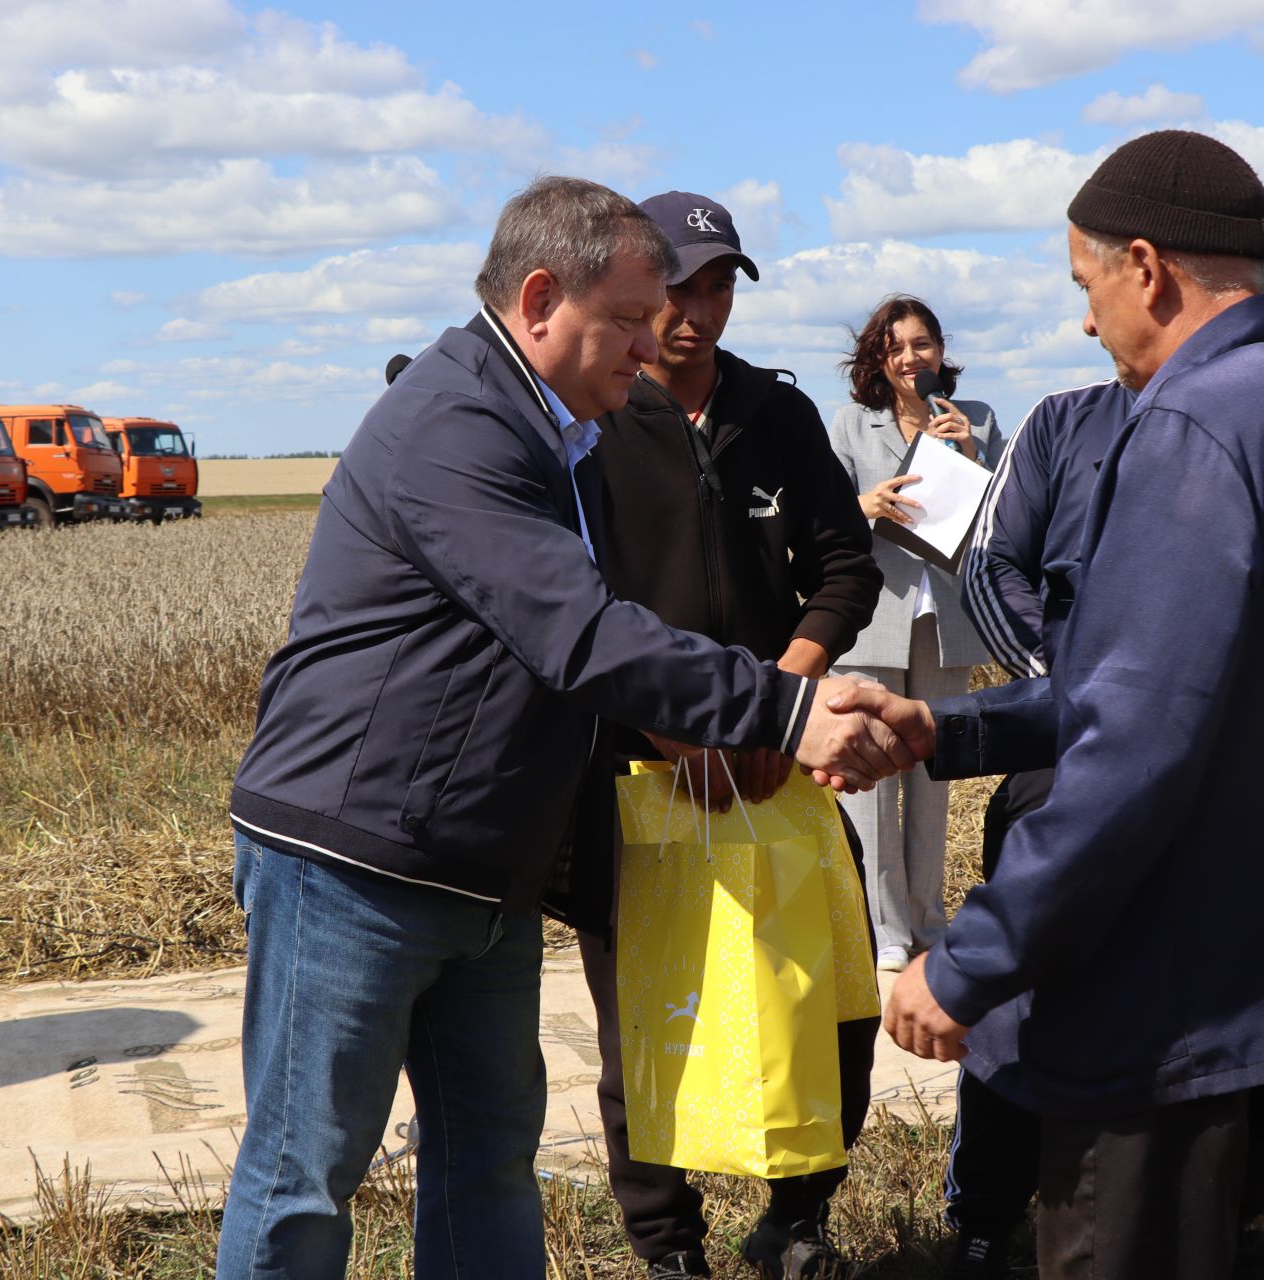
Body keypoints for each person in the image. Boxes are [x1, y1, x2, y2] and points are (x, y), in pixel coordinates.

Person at [215, 175, 914, 1280]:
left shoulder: (559, 431)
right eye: (632, 318)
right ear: (541, 299)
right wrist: (784, 707)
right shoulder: (459, 424)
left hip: (485, 861)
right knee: (307, 1170)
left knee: (490, 1157)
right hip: (356, 859)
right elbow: (581, 632)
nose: (656, 342)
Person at [843, 130, 1264, 1280]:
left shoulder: (1197, 430)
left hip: (1162, 1006)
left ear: (1146, 267)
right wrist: (950, 730)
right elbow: (1190, 691)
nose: (1088, 320)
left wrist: (967, 963)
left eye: (1086, 285)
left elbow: (1134, 751)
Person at [552, 190, 883, 1280]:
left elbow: (845, 568)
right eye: (679, 288)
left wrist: (782, 698)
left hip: (778, 763)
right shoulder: (590, 424)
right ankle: (668, 1247)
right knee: (647, 1014)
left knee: (830, 996)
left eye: (719, 285)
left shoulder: (774, 416)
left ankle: (799, 1219)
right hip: (639, 767)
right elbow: (577, 609)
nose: (697, 312)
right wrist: (677, 723)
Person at [939, 374, 1132, 1279]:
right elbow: (989, 565)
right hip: (1058, 750)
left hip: (1208, 766)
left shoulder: (1251, 419)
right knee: (1019, 988)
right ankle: (985, 1214)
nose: (1092, 321)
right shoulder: (1063, 421)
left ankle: (1180, 1206)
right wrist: (1076, 684)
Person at [826, 298, 1005, 972]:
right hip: (872, 622)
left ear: (940, 352)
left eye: (922, 344)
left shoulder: (980, 418)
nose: (910, 358)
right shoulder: (850, 425)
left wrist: (966, 449)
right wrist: (862, 506)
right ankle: (887, 929)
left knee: (936, 774)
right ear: (877, 358)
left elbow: (1008, 513)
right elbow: (820, 522)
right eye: (895, 346)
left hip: (946, 622)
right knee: (872, 780)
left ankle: (930, 923)